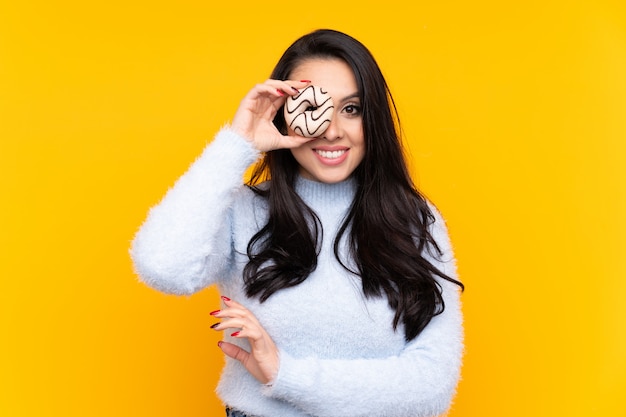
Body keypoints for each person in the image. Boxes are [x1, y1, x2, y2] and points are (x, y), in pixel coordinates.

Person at [130, 29, 464, 417]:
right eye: (312, 107)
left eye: (352, 109)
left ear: (373, 119)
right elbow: (162, 267)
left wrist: (285, 375)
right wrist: (238, 143)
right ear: (284, 114)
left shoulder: (413, 220)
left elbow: (432, 387)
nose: (332, 129)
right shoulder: (244, 211)